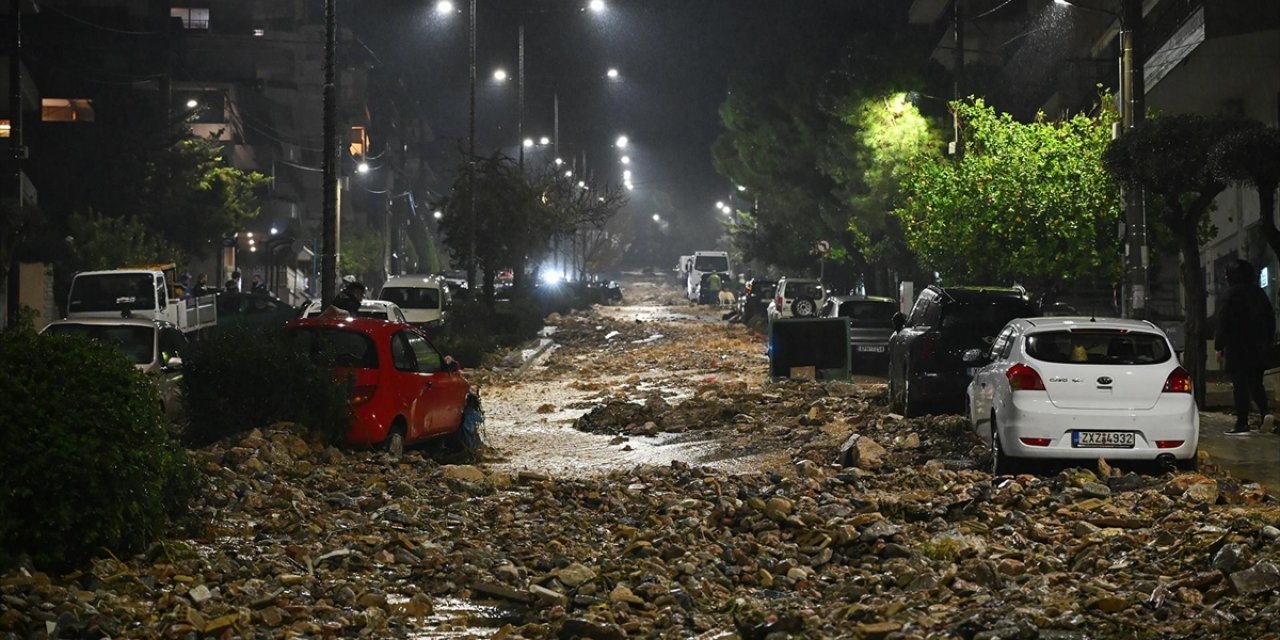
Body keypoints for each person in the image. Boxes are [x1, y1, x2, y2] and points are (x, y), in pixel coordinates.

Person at [1215, 258, 1276, 435]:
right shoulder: (1259, 294)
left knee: (1240, 385)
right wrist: (1267, 341)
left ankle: (1242, 422)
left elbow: (1223, 321)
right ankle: (1265, 414)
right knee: (1256, 383)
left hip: (1237, 348)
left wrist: (1219, 345)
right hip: (1258, 348)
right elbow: (1270, 319)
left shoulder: (1231, 294)